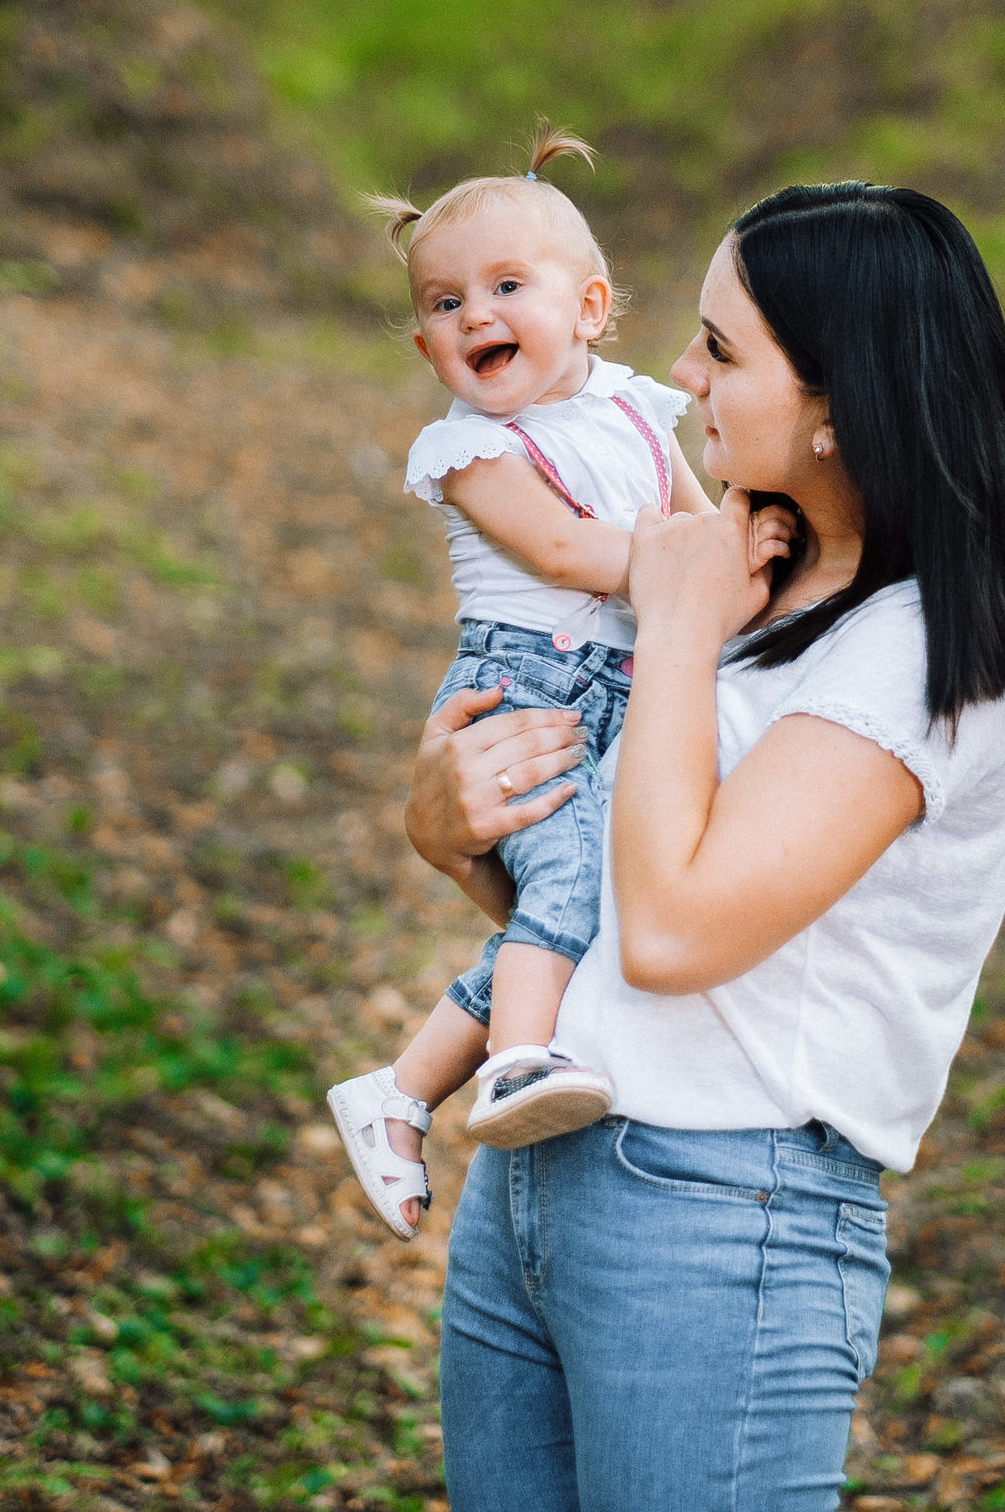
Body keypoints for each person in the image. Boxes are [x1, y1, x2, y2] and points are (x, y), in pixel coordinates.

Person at [402, 182, 1005, 1512]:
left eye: (720, 348)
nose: (675, 371)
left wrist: (675, 625)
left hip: (722, 1209)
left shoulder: (930, 652)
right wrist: (453, 839)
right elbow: (597, 890)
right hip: (537, 1167)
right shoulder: (755, 579)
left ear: (839, 401)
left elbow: (672, 932)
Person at [327, 126, 713, 1243]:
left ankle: (399, 1092)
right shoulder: (470, 451)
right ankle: (513, 1068)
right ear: (423, 348)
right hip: (527, 693)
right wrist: (708, 574)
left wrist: (743, 557)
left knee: (583, 894)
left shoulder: (640, 409)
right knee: (576, 879)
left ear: (589, 308)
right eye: (444, 305)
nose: (474, 315)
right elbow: (564, 552)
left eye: (505, 286)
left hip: (622, 686)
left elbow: (694, 521)